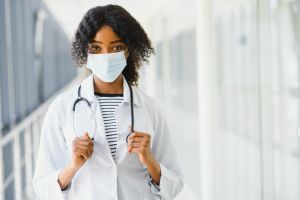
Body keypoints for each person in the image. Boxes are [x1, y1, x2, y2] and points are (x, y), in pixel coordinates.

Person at [32, 4, 184, 200]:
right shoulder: (62, 108)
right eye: (96, 48)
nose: (106, 56)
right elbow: (42, 187)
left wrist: (150, 161)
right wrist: (72, 166)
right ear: (85, 52)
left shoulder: (150, 109)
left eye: (117, 47)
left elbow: (175, 184)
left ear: (128, 50)